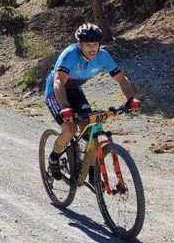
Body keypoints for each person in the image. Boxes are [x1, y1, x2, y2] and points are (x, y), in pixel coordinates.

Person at [44, 23, 140, 179]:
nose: (92, 48)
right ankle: (54, 158)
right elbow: (59, 81)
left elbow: (122, 79)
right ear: (79, 44)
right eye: (88, 45)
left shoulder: (103, 56)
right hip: (55, 92)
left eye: (95, 44)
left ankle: (91, 173)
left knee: (91, 132)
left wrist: (131, 98)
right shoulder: (69, 55)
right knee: (70, 129)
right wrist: (65, 107)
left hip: (75, 91)